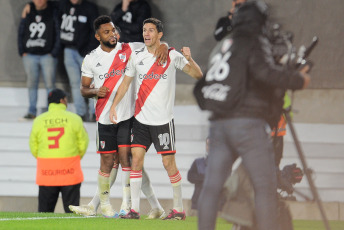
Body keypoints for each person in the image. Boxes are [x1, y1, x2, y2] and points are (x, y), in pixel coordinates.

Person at [194, 1, 311, 230]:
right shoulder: (253, 40)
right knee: (264, 187)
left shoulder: (226, 45)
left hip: (219, 125)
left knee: (211, 187)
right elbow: (265, 73)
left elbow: (206, 85)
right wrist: (298, 79)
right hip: (247, 125)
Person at [69, 15, 168, 218]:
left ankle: (124, 204)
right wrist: (96, 91)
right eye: (107, 32)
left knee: (127, 161)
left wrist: (164, 45)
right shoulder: (91, 58)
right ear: (98, 36)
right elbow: (83, 89)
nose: (113, 34)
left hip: (129, 115)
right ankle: (152, 206)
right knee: (115, 162)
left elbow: (155, 43)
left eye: (113, 30)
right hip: (104, 117)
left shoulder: (129, 49)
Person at [109, 17, 203, 220]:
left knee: (169, 164)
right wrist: (114, 105)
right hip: (141, 120)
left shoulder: (171, 55)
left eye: (151, 30)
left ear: (160, 34)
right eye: (144, 30)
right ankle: (134, 210)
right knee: (136, 161)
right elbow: (125, 83)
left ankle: (178, 209)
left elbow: (198, 76)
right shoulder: (137, 56)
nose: (146, 34)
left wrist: (190, 58)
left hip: (163, 121)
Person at [29, 88, 89, 213]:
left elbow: (33, 147)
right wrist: (76, 157)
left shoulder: (38, 121)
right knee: (72, 216)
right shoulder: (75, 119)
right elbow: (83, 143)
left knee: (44, 216)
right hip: (70, 173)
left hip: (47, 174)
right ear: (62, 100)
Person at [18, 0, 60, 120]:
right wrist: (22, 51)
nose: (39, 1)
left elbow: (58, 32)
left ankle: (51, 111)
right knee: (31, 84)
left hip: (48, 55)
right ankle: (31, 111)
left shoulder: (53, 10)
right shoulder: (28, 10)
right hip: (30, 55)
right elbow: (21, 31)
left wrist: (54, 52)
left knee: (50, 84)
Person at [59, 0, 99, 121]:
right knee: (75, 83)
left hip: (86, 53)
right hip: (69, 50)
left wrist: (89, 50)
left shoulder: (90, 8)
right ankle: (80, 113)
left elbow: (96, 30)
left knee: (91, 82)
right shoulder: (63, 5)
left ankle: (94, 113)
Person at [187, 138, 209, 215]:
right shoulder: (198, 162)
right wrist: (204, 177)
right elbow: (190, 177)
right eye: (207, 144)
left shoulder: (221, 163)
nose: (209, 147)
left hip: (216, 204)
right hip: (198, 202)